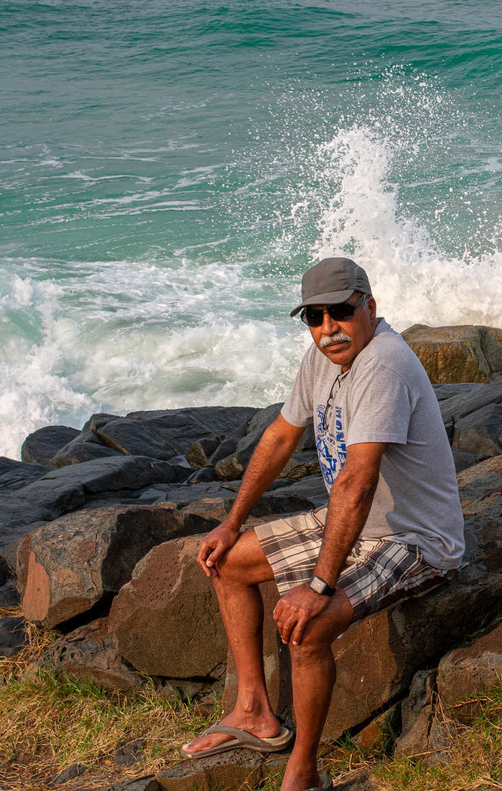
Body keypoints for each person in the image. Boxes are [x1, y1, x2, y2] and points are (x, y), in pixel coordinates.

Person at [180, 257, 465, 791]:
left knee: (308, 624)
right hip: (351, 521)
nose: (328, 327)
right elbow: (281, 436)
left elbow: (357, 481)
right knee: (228, 563)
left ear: (369, 306)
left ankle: (304, 772)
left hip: (415, 538)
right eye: (315, 316)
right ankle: (254, 714)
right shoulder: (324, 358)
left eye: (340, 311)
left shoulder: (383, 364)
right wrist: (230, 523)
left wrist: (317, 585)